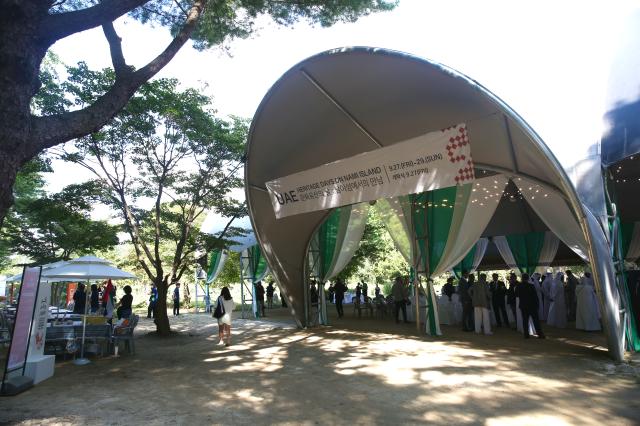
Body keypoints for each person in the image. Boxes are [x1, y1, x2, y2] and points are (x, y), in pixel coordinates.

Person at [517, 273, 545, 339]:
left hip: (523, 306)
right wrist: (537, 305)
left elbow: (517, 295)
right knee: (536, 321)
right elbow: (535, 297)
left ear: (522, 278)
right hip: (532, 306)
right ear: (527, 278)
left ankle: (526, 335)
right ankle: (540, 334)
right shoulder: (531, 286)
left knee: (525, 321)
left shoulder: (519, 286)